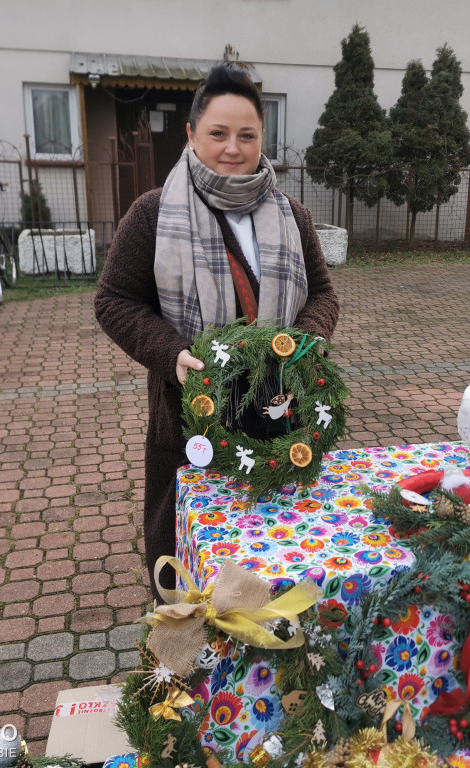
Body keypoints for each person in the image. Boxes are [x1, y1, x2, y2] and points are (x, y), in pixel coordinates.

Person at [94, 63, 340, 602]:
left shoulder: (290, 215)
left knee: (275, 550)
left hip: (279, 415)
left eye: (247, 135)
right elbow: (113, 301)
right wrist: (171, 352)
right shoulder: (154, 214)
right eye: (218, 133)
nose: (233, 147)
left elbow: (322, 293)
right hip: (190, 423)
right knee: (190, 569)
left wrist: (305, 344)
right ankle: (186, 662)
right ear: (191, 135)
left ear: (262, 139)